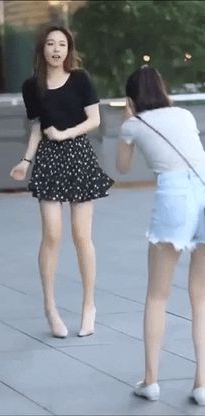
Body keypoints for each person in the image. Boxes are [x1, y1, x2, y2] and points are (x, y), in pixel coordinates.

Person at [10, 25, 114, 339]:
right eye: (51, 44)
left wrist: (65, 134)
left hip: (78, 155)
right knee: (52, 234)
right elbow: (38, 127)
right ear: (42, 49)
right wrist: (25, 161)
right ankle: (50, 307)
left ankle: (88, 306)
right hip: (48, 160)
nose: (57, 49)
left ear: (69, 50)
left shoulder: (81, 79)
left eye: (63, 44)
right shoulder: (32, 86)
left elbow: (94, 121)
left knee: (82, 235)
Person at [116, 66, 205, 405]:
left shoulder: (132, 124)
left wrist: (129, 117)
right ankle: (201, 384)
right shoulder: (183, 114)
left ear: (131, 98)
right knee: (201, 296)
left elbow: (122, 167)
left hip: (175, 198)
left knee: (158, 295)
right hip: (204, 190)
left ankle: (151, 380)